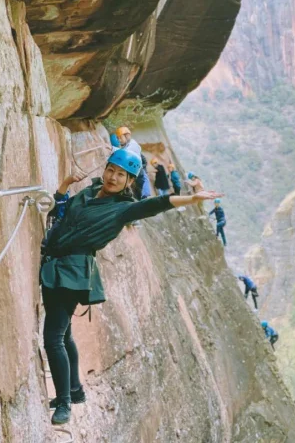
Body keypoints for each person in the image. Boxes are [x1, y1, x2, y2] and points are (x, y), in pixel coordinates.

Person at [40, 149, 223, 426]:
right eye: (111, 170)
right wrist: (65, 185)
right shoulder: (89, 193)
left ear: (129, 181)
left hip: (73, 272)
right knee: (64, 335)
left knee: (53, 337)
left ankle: (64, 402)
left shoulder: (123, 209)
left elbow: (155, 204)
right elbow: (62, 213)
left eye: (121, 175)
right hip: (54, 265)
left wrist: (191, 198)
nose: (113, 177)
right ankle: (75, 390)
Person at [113, 127, 150, 201]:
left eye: (120, 137)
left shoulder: (133, 144)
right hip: (135, 173)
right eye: (118, 138)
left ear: (126, 135)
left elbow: (127, 152)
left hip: (139, 173)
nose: (119, 140)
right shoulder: (126, 146)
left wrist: (112, 149)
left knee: (140, 195)